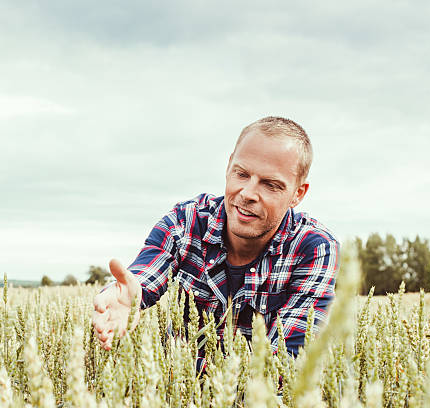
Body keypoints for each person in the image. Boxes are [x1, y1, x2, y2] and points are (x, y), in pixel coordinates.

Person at [92, 116, 339, 364]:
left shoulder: (315, 248)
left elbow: (286, 363)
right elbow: (147, 272)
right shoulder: (185, 221)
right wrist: (130, 294)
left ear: (298, 194)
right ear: (229, 165)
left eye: (271, 185)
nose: (248, 193)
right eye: (241, 174)